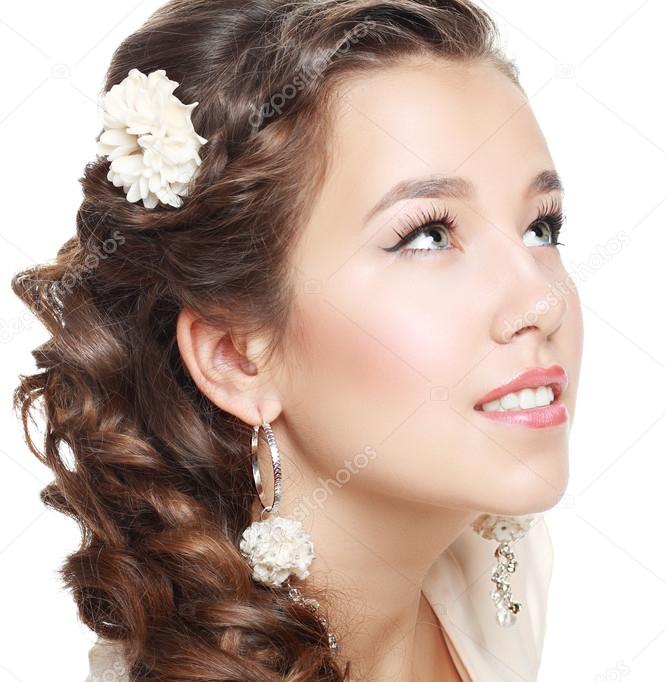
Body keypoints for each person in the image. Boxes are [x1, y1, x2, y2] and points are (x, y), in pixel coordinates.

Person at [12, 1, 584, 680]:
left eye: (540, 227)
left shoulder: (489, 577)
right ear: (236, 355)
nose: (538, 302)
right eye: (427, 235)